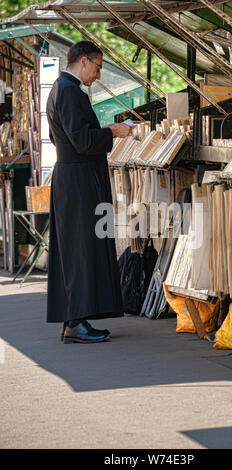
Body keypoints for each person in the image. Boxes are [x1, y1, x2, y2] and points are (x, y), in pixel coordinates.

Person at [46, 40, 130, 344]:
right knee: (80, 248)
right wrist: (112, 132)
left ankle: (75, 319)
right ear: (84, 61)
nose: (98, 75)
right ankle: (76, 321)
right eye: (97, 67)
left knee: (76, 248)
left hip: (74, 177)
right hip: (78, 180)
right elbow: (82, 140)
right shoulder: (68, 91)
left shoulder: (63, 90)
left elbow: (71, 138)